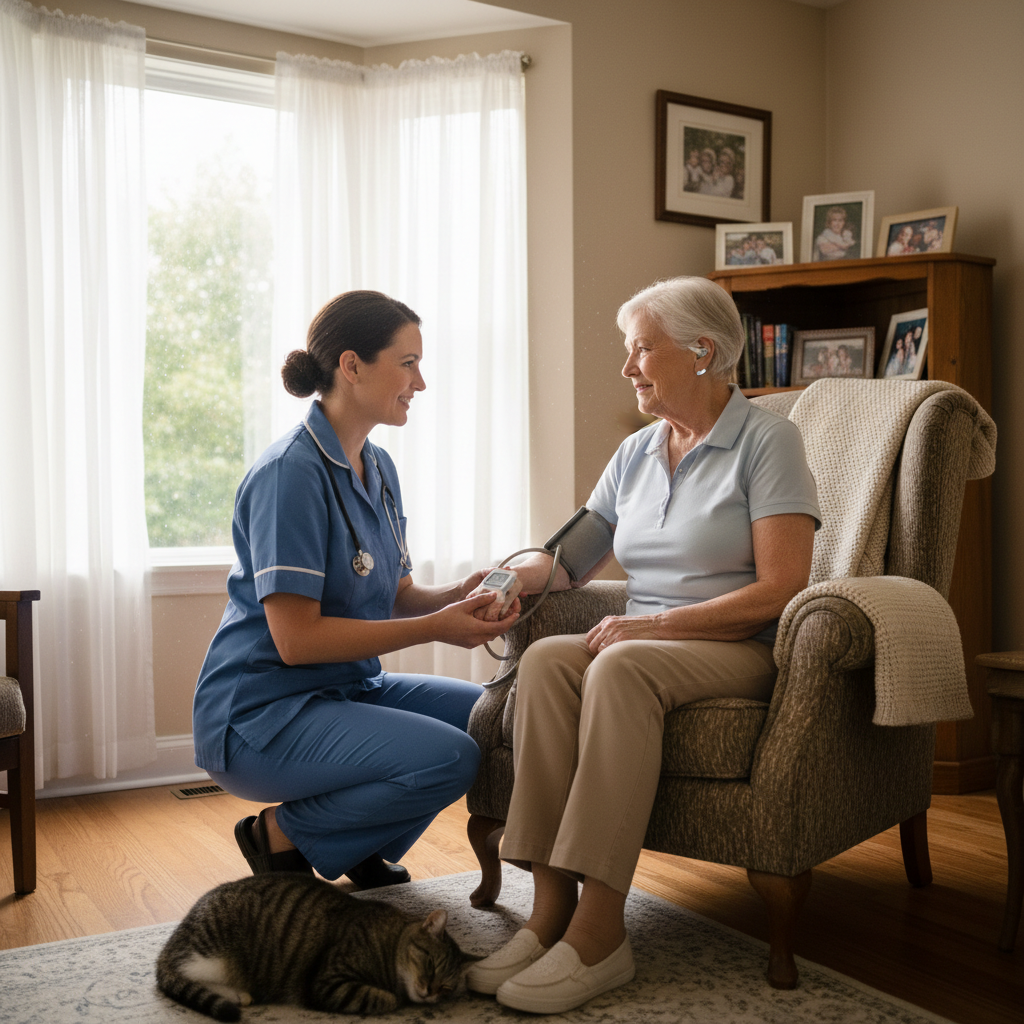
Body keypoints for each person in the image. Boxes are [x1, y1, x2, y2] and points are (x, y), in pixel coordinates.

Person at [465, 276, 820, 1014]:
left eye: (641, 349)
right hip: (645, 644)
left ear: (702, 351)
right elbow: (570, 559)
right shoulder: (634, 452)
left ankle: (601, 935)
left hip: (736, 645)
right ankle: (548, 913)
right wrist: (511, 579)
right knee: (549, 659)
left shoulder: (767, 441)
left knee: (619, 663)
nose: (628, 367)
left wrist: (653, 625)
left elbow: (783, 586)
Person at [192, 290, 517, 889]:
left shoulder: (379, 466)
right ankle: (279, 836)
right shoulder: (289, 474)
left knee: (489, 717)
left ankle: (356, 841)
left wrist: (456, 596)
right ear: (352, 366)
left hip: (346, 688)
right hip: (262, 712)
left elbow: (396, 594)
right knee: (453, 756)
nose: (420, 383)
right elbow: (296, 641)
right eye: (409, 363)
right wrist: (436, 628)